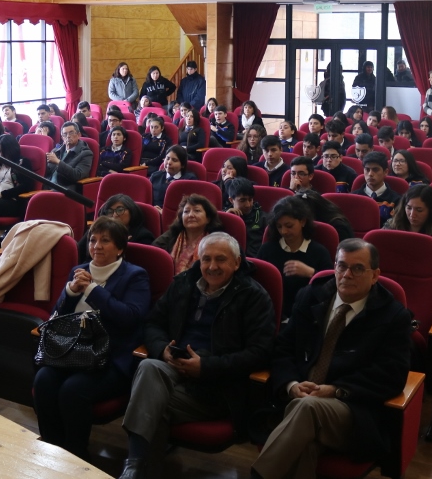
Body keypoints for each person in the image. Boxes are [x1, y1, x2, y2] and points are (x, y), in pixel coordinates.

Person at [117, 233, 273, 479]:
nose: (212, 267)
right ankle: (136, 466)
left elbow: (260, 353)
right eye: (206, 259)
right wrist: (162, 350)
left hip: (216, 388)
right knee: (149, 366)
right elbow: (153, 323)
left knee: (152, 406)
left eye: (220, 260)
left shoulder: (253, 296)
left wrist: (206, 367)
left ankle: (135, 470)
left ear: (237, 263)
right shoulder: (184, 283)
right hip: (172, 369)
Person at [252, 240, 410, 479]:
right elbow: (282, 348)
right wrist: (291, 385)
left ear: (375, 275)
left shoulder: (393, 316)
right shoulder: (310, 296)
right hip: (301, 401)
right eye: (341, 266)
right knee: (304, 444)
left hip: (352, 410)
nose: (347, 274)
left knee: (306, 410)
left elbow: (392, 375)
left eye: (357, 268)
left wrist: (335, 390)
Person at [34, 216, 150, 458]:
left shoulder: (135, 275)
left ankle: (75, 455)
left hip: (109, 358)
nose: (96, 246)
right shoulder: (80, 271)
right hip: (71, 351)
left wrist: (92, 290)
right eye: (93, 240)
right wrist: (71, 291)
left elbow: (130, 317)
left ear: (120, 248)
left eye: (105, 241)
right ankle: (52, 450)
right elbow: (58, 315)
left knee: (72, 390)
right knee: (43, 380)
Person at [256, 196, 332, 319]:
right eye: (279, 226)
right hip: (271, 313)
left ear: (302, 221)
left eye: (289, 226)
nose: (284, 231)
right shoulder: (267, 250)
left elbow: (330, 287)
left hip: (307, 316)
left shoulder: (319, 252)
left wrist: (311, 273)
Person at [152, 193, 222, 274]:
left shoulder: (215, 241)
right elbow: (154, 256)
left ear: (208, 218)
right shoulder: (172, 234)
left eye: (197, 210)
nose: (191, 215)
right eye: (186, 211)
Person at [77, 195, 157, 263]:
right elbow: (77, 254)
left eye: (120, 210)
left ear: (132, 211)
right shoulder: (95, 232)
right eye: (110, 211)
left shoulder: (143, 236)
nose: (114, 215)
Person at [0, 134, 33, 219]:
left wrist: (1, 194)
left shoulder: (23, 162)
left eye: (4, 151)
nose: (1, 154)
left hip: (11, 200)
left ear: (11, 150)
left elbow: (26, 186)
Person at [351, 152, 401, 226]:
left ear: (386, 172)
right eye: (367, 169)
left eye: (375, 170)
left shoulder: (397, 200)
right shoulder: (353, 197)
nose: (370, 174)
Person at [223, 177, 264, 257]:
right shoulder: (223, 216)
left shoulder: (263, 218)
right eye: (242, 200)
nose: (248, 205)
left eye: (250, 199)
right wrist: (227, 219)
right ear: (231, 200)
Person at [46, 122, 92, 192]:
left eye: (71, 133)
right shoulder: (56, 151)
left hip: (66, 190)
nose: (68, 136)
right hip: (47, 187)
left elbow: (77, 175)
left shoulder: (86, 153)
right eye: (65, 134)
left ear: (78, 135)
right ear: (62, 138)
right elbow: (47, 171)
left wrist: (58, 162)